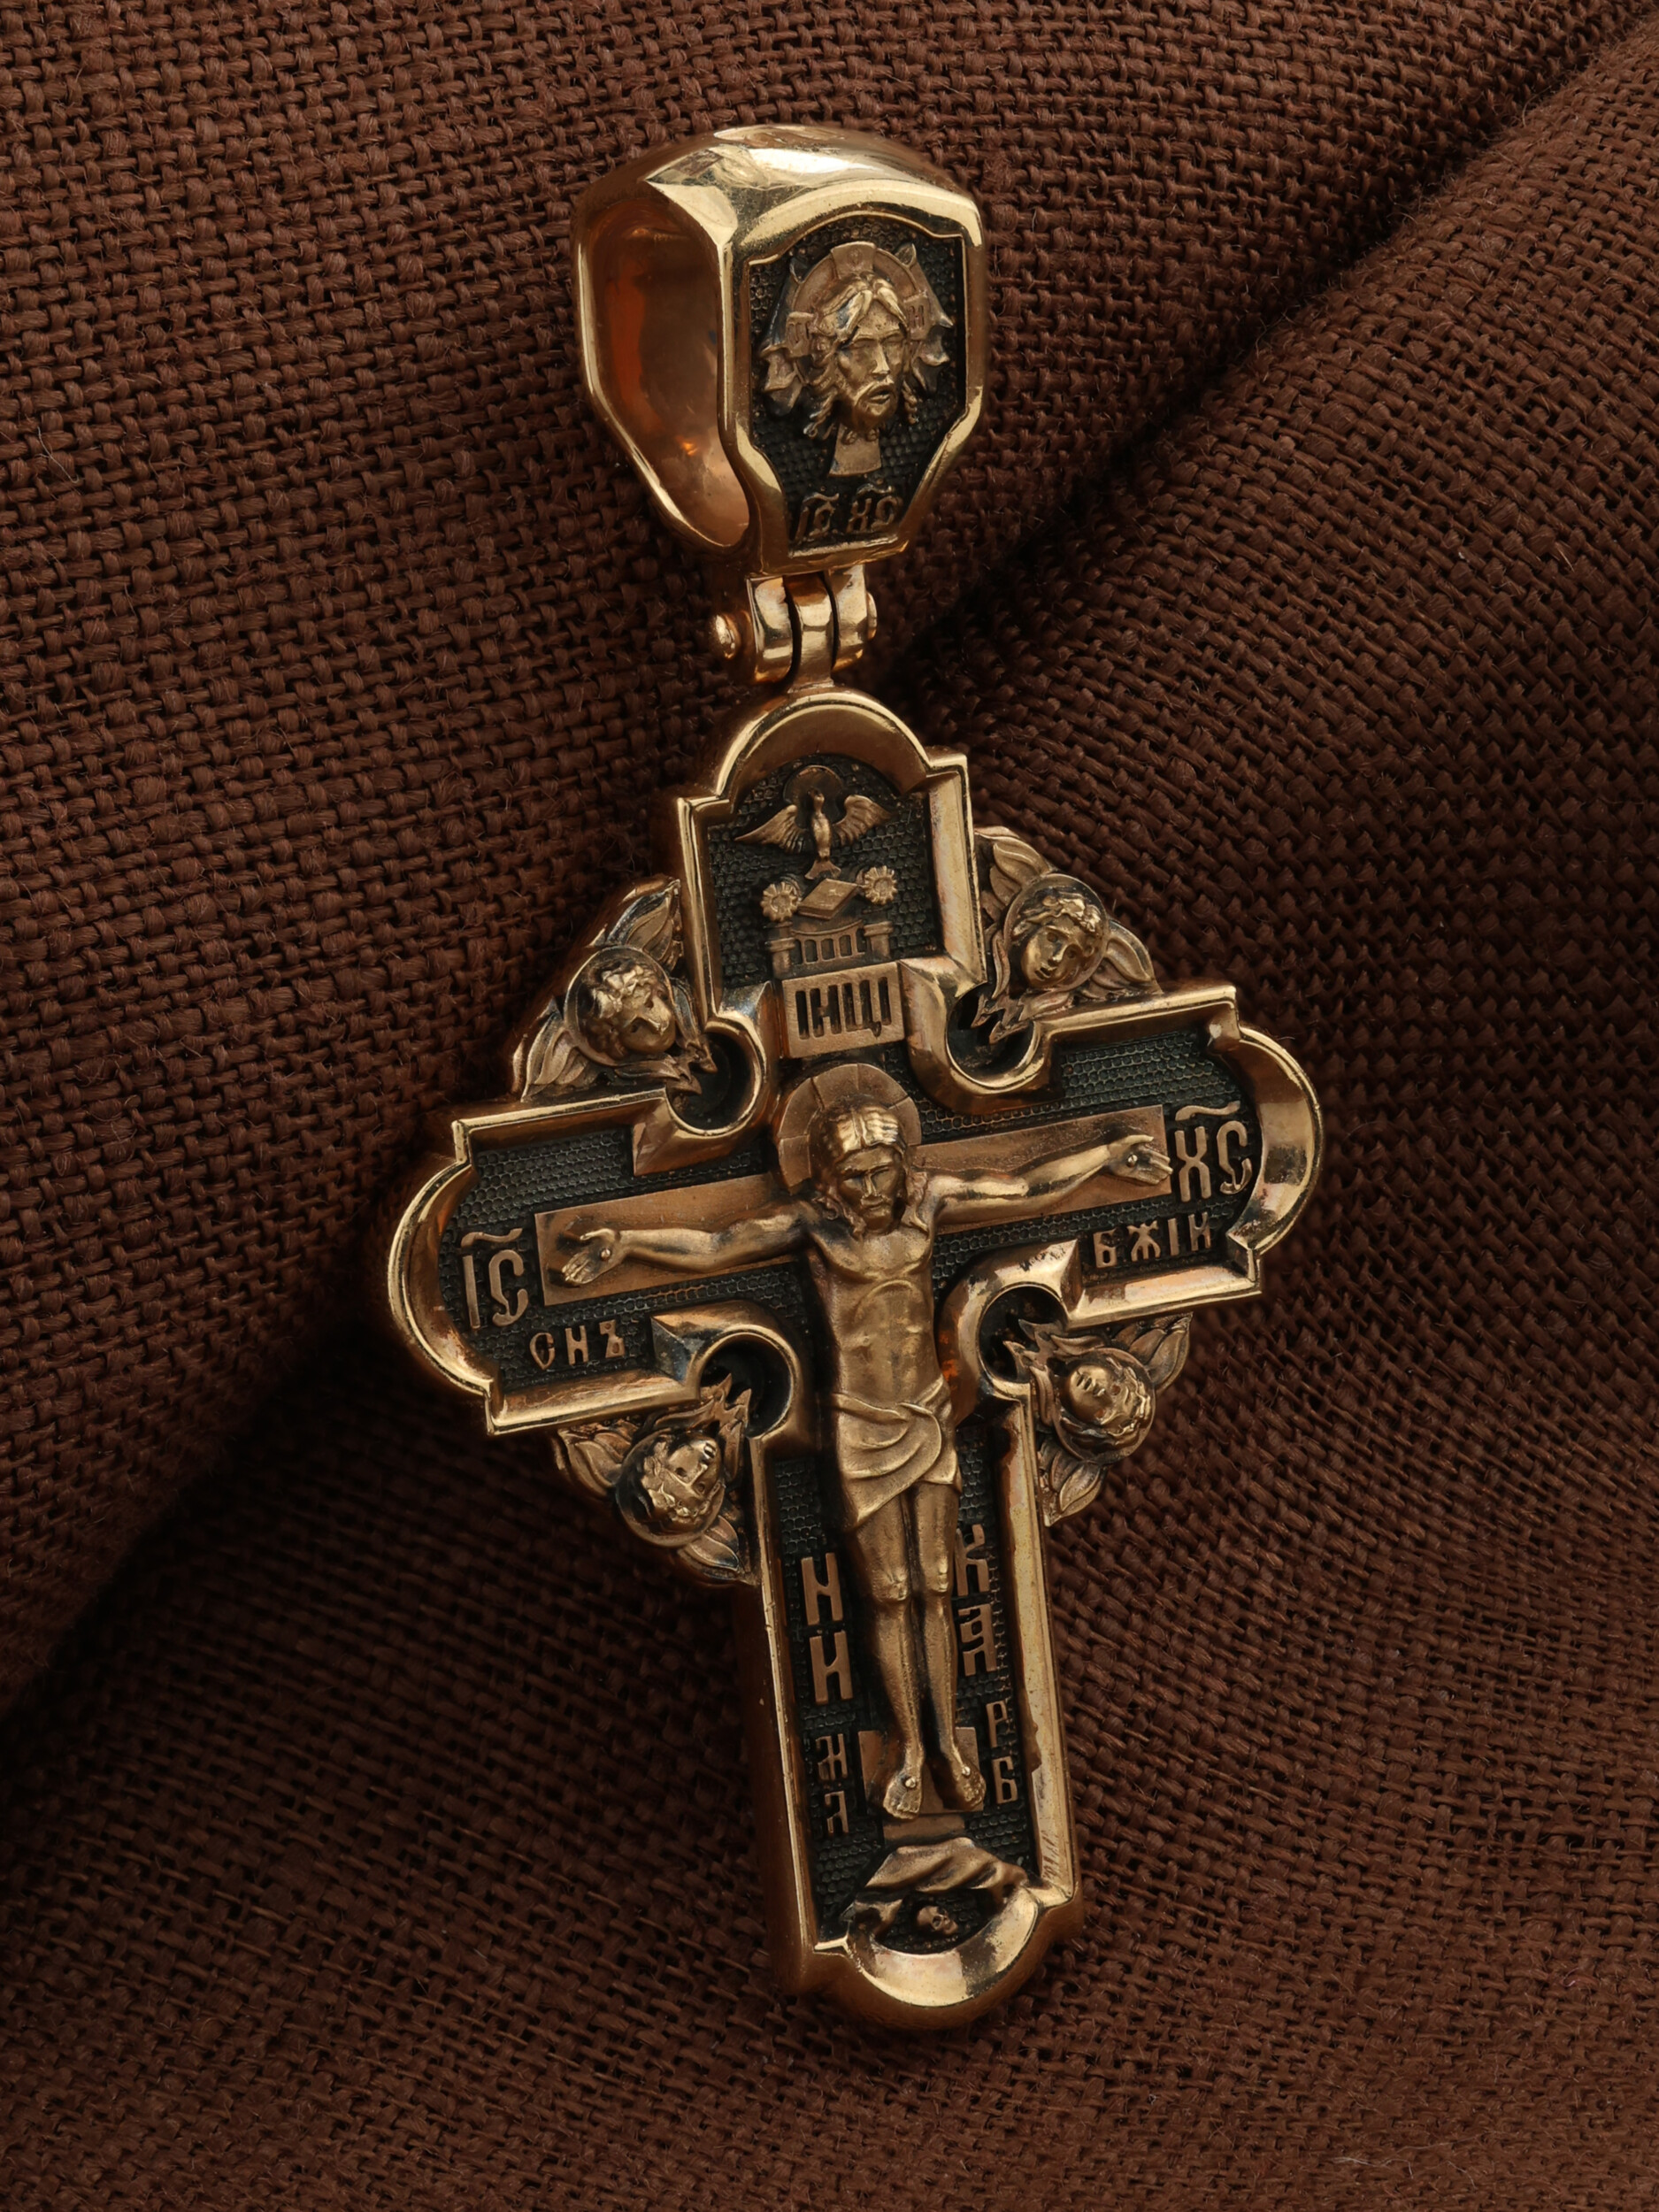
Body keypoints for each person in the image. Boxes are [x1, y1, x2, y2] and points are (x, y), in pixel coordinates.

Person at [560, 1097, 1167, 1819]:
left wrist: (1104, 1154)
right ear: (827, 1179)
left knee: (936, 1583)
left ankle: (948, 1744)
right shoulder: (810, 1225)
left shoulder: (929, 1200)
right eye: (855, 1177)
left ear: (904, 1165)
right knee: (887, 1591)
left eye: (883, 1172)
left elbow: (1024, 1186)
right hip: (858, 1425)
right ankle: (905, 1748)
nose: (873, 1190)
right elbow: (718, 1242)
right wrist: (628, 1241)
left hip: (926, 1413)